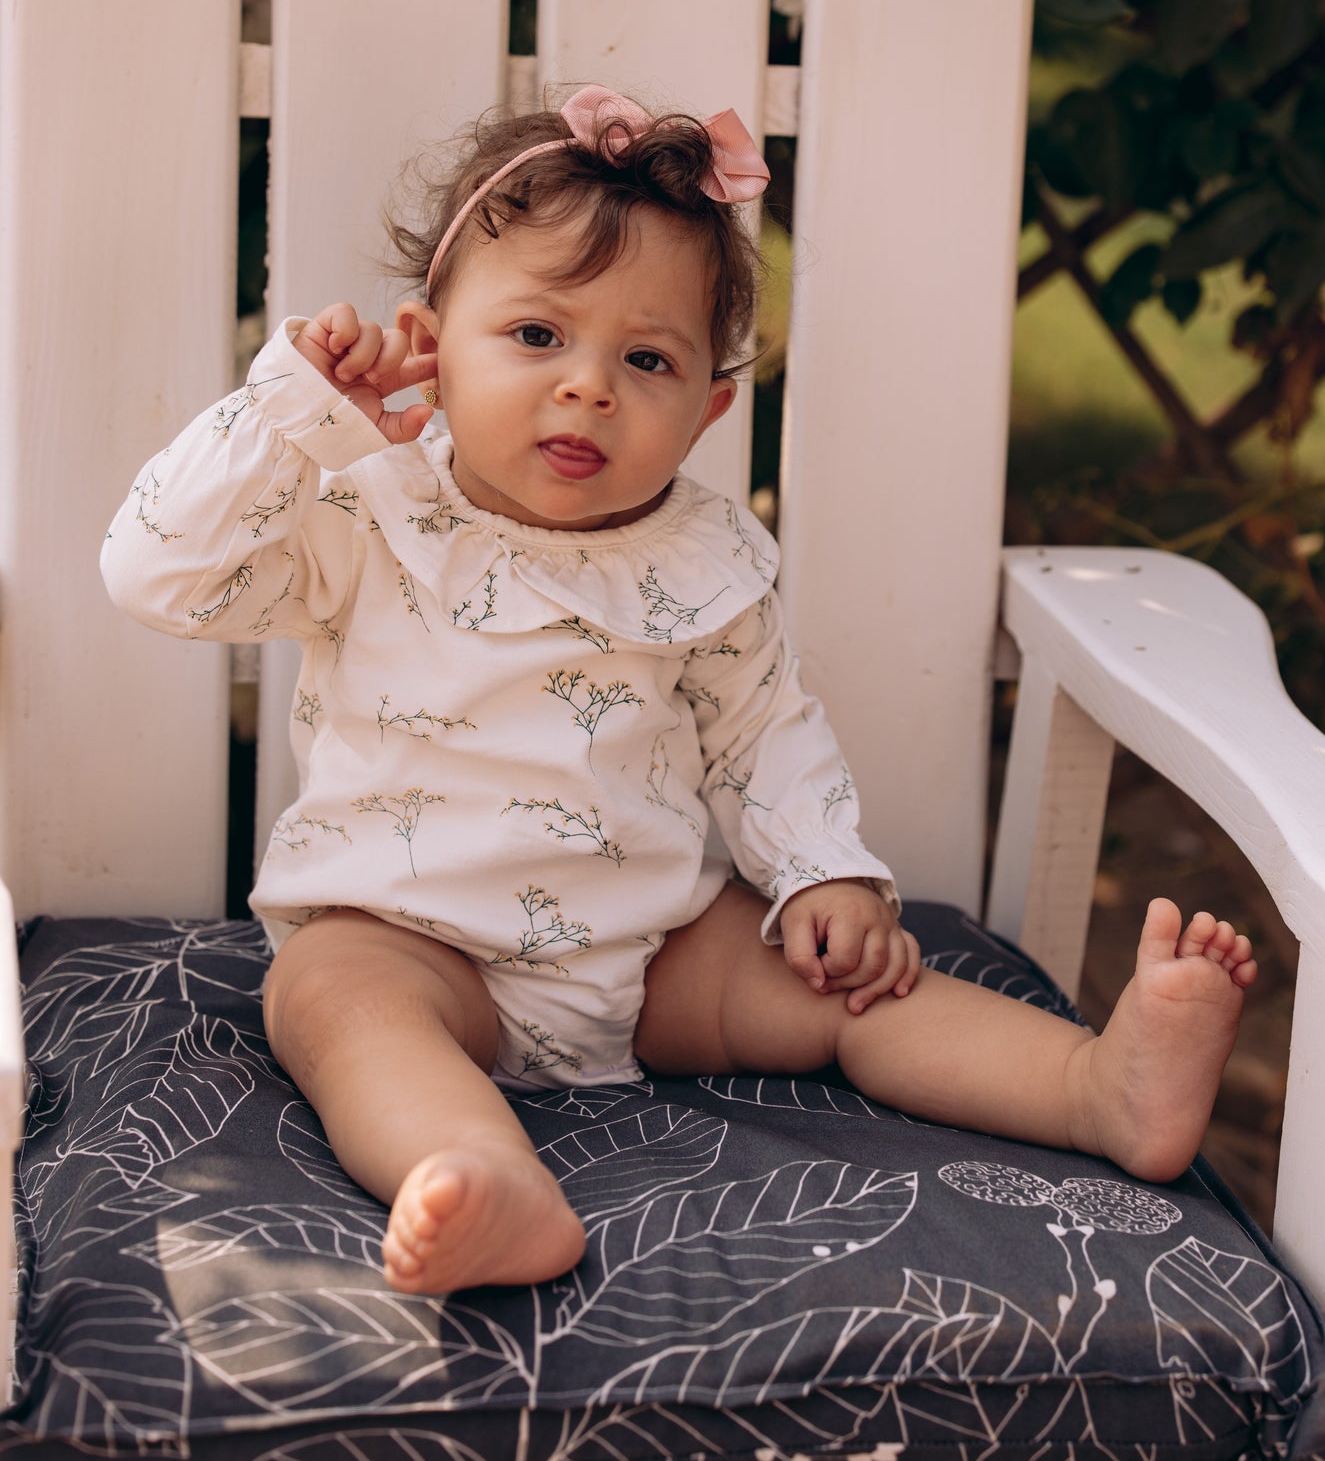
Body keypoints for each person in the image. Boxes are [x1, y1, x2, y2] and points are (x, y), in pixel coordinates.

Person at [102, 83, 1256, 1301]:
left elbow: (765, 730)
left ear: (706, 408)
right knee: (330, 1001)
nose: (588, 385)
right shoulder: (367, 505)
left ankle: (1097, 1084)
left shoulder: (698, 558)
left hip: (649, 947)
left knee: (851, 991)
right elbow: (155, 576)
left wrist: (825, 869)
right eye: (537, 336)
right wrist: (291, 413)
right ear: (431, 346)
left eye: (644, 358)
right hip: (409, 934)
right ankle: (479, 1171)